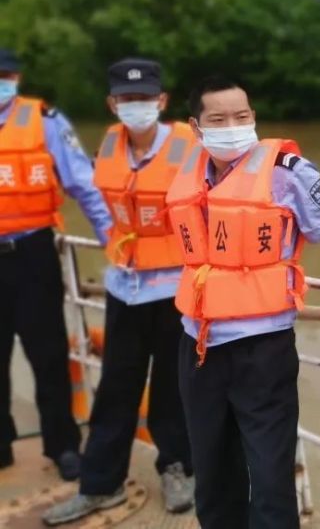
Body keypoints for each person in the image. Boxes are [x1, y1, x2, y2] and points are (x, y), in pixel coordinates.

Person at [169, 75, 320, 529]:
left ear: (254, 118)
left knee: (270, 477)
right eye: (218, 119)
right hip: (197, 345)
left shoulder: (289, 172)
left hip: (263, 350)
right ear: (196, 128)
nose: (232, 126)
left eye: (241, 116)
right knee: (213, 471)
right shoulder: (188, 171)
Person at [43, 58, 196, 525]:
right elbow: (96, 199)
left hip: (175, 287)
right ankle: (100, 484)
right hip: (125, 287)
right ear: (112, 104)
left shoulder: (190, 146)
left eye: (145, 98)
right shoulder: (110, 144)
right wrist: (112, 237)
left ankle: (178, 467)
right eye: (127, 100)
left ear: (162, 101)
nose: (137, 107)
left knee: (174, 387)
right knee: (115, 388)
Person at [0, 48, 113, 480]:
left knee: (47, 354)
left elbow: (85, 186)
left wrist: (113, 246)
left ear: (17, 77)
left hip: (32, 253)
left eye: (7, 74)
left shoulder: (45, 121)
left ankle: (63, 446)